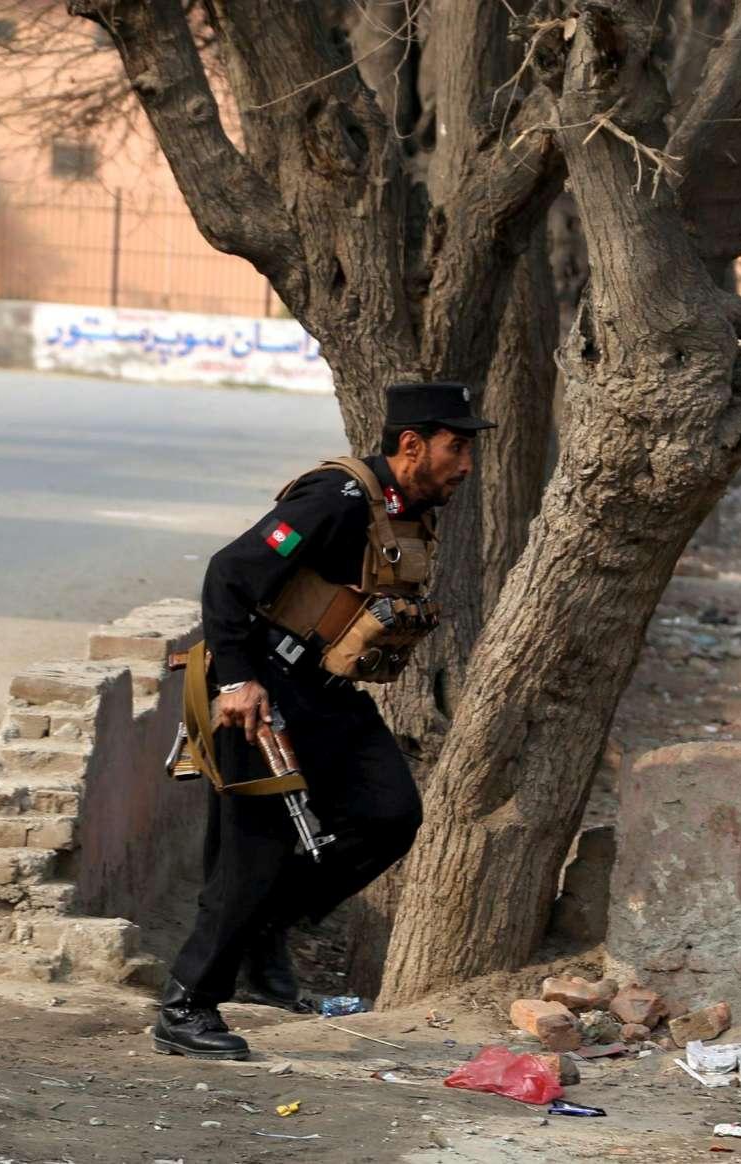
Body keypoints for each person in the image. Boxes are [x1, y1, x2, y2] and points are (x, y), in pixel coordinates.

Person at [152, 381, 491, 1060]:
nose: (466, 465)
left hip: (327, 692)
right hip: (260, 690)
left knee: (391, 814)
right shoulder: (336, 498)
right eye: (456, 448)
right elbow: (229, 572)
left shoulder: (407, 511)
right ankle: (186, 1007)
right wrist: (238, 680)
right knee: (253, 853)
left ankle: (267, 925)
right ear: (412, 444)